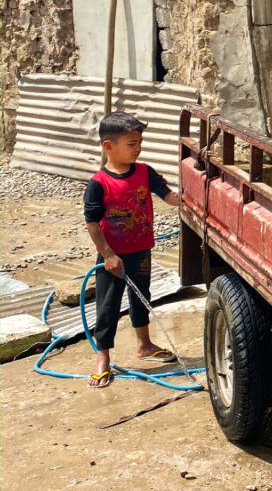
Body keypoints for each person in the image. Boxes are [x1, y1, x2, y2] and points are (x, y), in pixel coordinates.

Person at [83, 111, 180, 388]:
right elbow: (92, 223)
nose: (137, 149)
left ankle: (145, 345)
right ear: (108, 146)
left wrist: (191, 197)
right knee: (108, 305)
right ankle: (103, 358)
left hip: (141, 249)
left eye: (139, 143)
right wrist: (108, 255)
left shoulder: (144, 172)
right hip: (112, 255)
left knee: (142, 297)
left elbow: (169, 196)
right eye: (131, 144)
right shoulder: (98, 183)